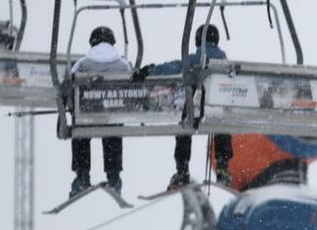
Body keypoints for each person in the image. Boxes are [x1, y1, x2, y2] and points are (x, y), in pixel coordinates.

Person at [140, 24, 233, 187]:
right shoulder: (227, 64)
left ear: (198, 40)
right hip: (218, 111)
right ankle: (223, 168)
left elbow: (172, 67)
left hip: (196, 110)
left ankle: (182, 169)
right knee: (222, 123)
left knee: (185, 126)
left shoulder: (195, 60)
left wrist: (150, 70)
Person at [69, 26, 132, 195]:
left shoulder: (82, 63)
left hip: (87, 116)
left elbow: (69, 87)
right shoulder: (123, 64)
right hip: (112, 116)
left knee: (80, 131)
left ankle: (82, 174)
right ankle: (114, 176)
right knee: (113, 130)